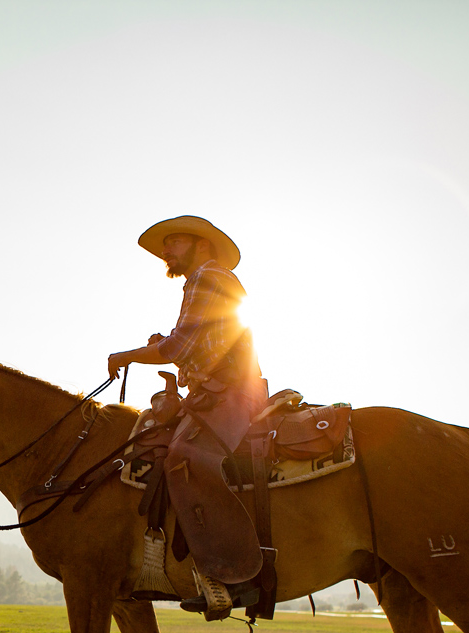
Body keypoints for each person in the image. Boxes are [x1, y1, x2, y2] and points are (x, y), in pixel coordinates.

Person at [105, 216, 270, 612]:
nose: (165, 251)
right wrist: (167, 345)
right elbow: (194, 345)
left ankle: (230, 577)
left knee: (184, 458)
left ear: (202, 245)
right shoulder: (206, 281)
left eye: (174, 242)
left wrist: (128, 355)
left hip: (230, 393)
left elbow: (179, 346)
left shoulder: (205, 277)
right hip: (217, 391)